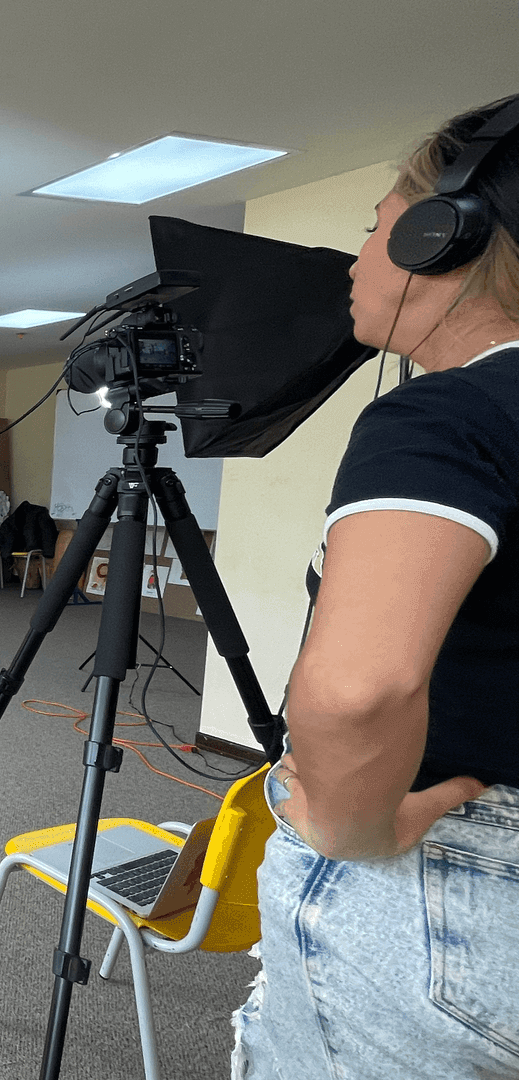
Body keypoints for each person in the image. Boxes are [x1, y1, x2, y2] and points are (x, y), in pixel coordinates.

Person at [231, 95, 519, 1079]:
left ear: (445, 238)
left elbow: (358, 691)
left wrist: (353, 828)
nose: (354, 260)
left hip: (453, 889)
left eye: (373, 227)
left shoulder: (447, 417)